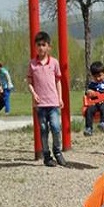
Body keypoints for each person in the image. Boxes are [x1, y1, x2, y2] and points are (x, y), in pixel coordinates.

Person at [26, 31, 66, 167]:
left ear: (49, 47)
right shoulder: (32, 64)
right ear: (35, 47)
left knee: (55, 127)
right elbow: (29, 82)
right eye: (39, 45)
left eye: (44, 45)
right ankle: (46, 155)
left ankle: (58, 151)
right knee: (43, 129)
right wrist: (34, 94)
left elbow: (58, 81)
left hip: (53, 102)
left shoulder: (54, 63)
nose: (41, 47)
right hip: (40, 103)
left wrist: (60, 98)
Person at [83, 61, 104, 136]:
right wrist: (89, 92)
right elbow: (87, 92)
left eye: (100, 75)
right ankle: (88, 128)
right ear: (92, 76)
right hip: (96, 104)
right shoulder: (92, 85)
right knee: (89, 110)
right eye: (95, 77)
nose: (98, 78)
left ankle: (103, 123)